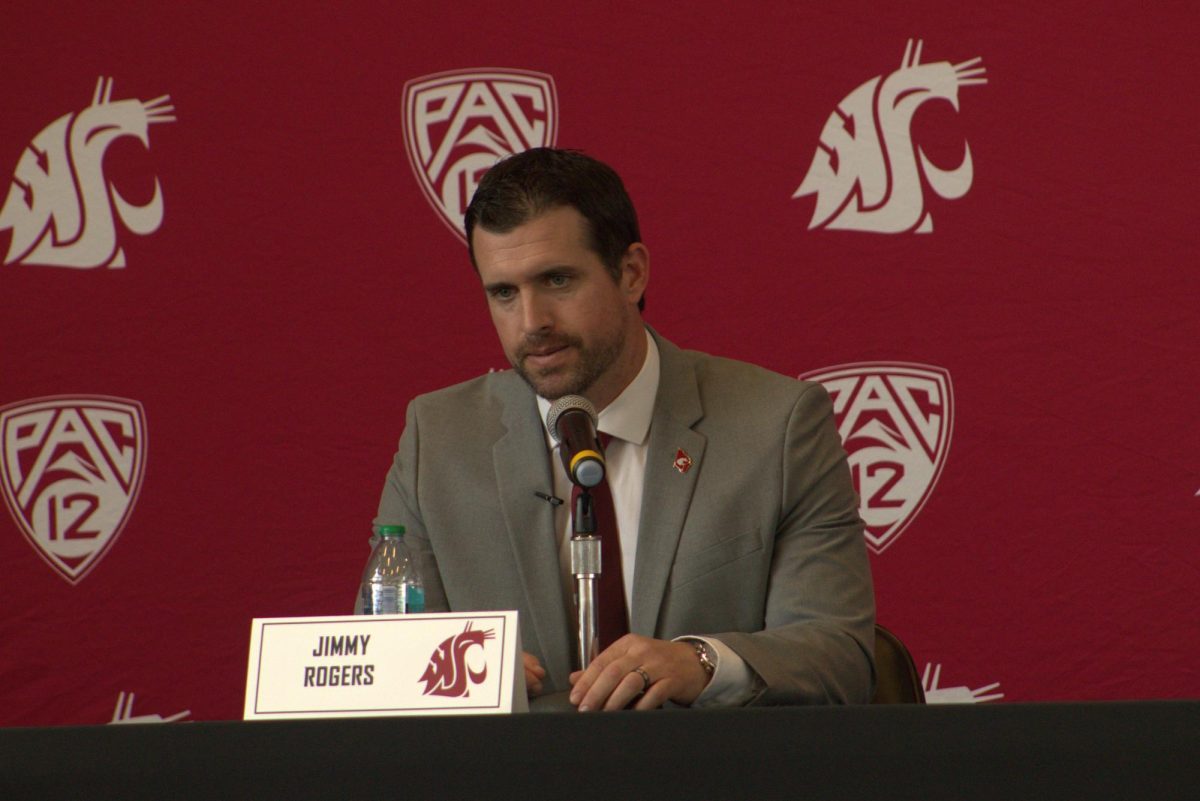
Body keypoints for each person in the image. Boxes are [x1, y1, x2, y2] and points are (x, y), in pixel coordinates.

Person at [375, 148, 874, 710]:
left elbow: (840, 654)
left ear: (631, 273)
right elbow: (377, 661)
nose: (532, 321)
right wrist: (443, 671)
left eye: (557, 280)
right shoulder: (437, 437)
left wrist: (704, 662)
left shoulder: (778, 425)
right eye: (504, 293)